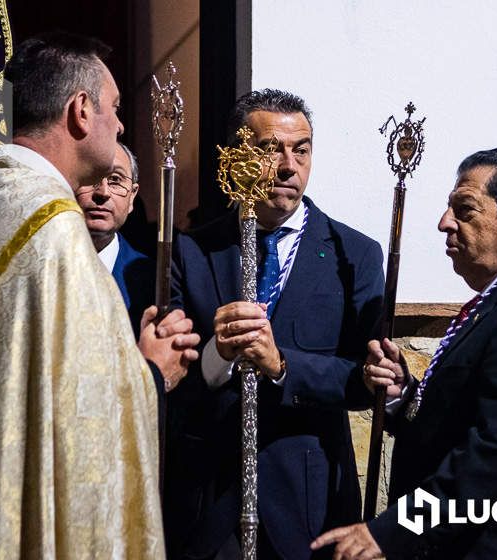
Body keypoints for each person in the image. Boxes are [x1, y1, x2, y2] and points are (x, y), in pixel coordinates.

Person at [0, 32, 198, 559]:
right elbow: (81, 416)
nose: (119, 126)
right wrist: (152, 376)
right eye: (114, 109)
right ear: (80, 110)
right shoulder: (52, 233)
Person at [312, 148, 497, 559]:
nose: (444, 223)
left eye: (464, 210)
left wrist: (392, 531)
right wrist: (403, 395)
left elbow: (494, 452)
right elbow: (463, 420)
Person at [164, 89, 384, 559]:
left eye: (301, 150)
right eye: (270, 149)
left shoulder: (354, 254)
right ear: (238, 155)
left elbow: (363, 382)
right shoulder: (193, 252)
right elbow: (170, 379)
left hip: (308, 505)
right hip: (212, 502)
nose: (288, 166)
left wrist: (282, 363)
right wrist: (215, 356)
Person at [76, 141, 153, 337]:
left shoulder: (153, 281)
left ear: (132, 197)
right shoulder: (42, 266)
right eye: (90, 177)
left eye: (115, 179)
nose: (102, 192)